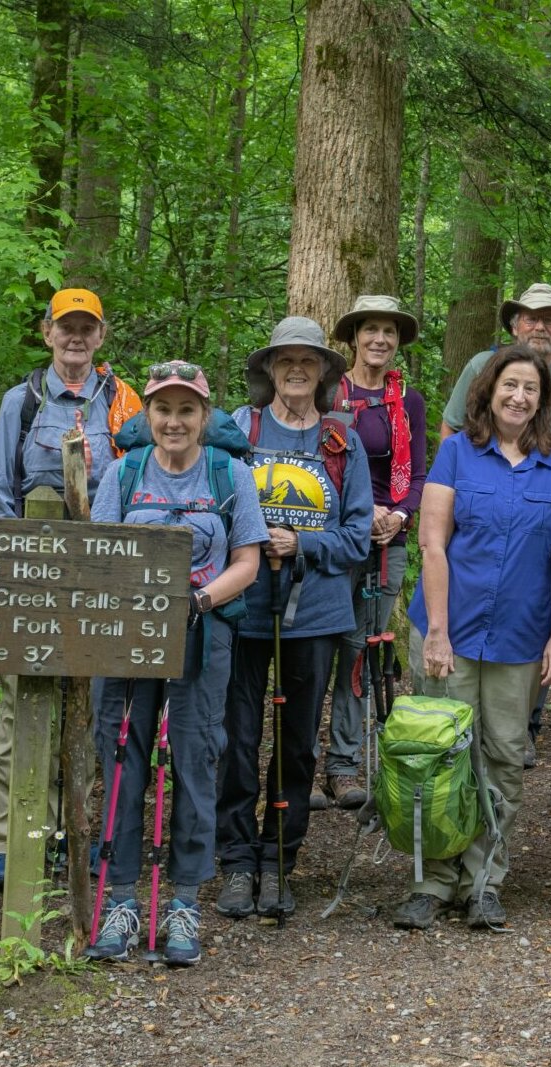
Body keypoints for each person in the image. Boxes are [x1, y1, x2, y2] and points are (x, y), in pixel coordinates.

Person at [86, 363, 266, 964]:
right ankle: (121, 899)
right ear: (149, 414)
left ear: (205, 416)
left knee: (194, 762)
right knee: (122, 761)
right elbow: (99, 552)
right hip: (125, 639)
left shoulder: (229, 474)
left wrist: (198, 600)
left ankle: (184, 901)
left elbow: (247, 562)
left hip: (202, 635)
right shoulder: (124, 472)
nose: (174, 421)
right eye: (163, 409)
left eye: (187, 409)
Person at [407, 344, 551, 931]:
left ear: (543, 400)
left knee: (505, 756)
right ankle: (433, 880)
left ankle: (484, 881)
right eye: (510, 385)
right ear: (489, 390)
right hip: (451, 629)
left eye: (531, 388)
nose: (519, 397)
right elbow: (433, 544)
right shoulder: (458, 451)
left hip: (521, 634)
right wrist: (437, 631)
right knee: (442, 754)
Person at [0, 288, 144, 890]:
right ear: (46, 332)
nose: (75, 337)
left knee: (95, 708)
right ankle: (7, 842)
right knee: (23, 704)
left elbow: (139, 480)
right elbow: (2, 493)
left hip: (102, 578)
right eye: (65, 326)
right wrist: (12, 572)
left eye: (86, 327)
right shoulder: (21, 402)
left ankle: (78, 832)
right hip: (34, 576)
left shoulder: (123, 402)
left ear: (101, 336)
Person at [216, 318, 373, 921]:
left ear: (325, 372)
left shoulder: (342, 442)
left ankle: (280, 859)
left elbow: (358, 535)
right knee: (236, 740)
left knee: (298, 744)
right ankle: (237, 861)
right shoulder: (241, 429)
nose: (297, 371)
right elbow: (213, 506)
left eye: (309, 361)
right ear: (269, 370)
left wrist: (302, 544)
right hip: (242, 608)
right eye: (286, 361)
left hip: (316, 614)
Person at [317, 295, 428, 811]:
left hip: (387, 542)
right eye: (371, 330)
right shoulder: (328, 393)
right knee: (317, 649)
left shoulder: (408, 401)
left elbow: (418, 474)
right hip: (333, 537)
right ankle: (296, 764)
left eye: (389, 331)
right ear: (354, 336)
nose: (380, 340)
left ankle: (342, 766)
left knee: (361, 652)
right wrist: (361, 514)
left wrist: (398, 516)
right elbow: (314, 465)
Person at [440, 283, 551, 473]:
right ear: (515, 327)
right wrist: (453, 474)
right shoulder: (482, 366)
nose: (540, 327)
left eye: (549, 320)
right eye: (531, 319)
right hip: (483, 480)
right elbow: (451, 426)